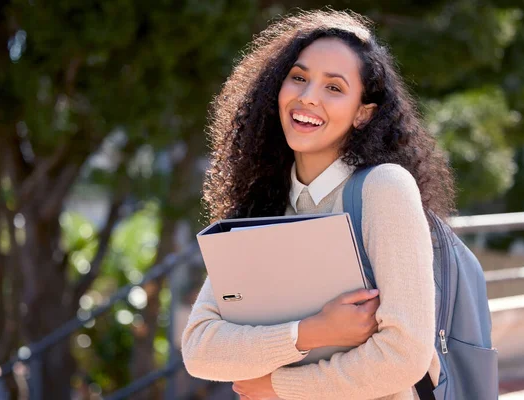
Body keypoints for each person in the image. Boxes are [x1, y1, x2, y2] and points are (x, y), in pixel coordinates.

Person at [182, 9, 456, 400]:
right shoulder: (264, 204)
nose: (307, 97)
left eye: (334, 88)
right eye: (298, 78)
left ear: (363, 113)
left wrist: (279, 387)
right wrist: (313, 331)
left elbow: (404, 355)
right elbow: (201, 350)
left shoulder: (383, 189)